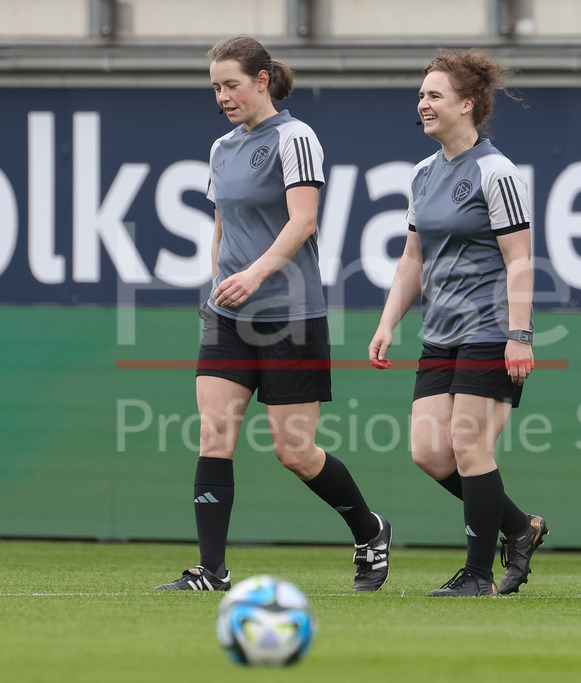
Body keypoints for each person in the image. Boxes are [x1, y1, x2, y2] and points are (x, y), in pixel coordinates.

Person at [156, 35, 391, 592]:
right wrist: (217, 283)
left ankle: (369, 530)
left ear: (262, 80)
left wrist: (255, 274)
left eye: (231, 85)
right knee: (214, 432)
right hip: (228, 316)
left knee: (294, 451)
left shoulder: (295, 137)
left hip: (292, 315)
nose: (223, 96)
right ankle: (211, 570)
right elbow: (222, 226)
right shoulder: (220, 149)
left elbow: (303, 221)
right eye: (215, 87)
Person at [368, 49, 548, 598]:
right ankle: (519, 527)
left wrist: (520, 336)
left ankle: (477, 574)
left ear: (467, 104)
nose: (422, 103)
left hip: (491, 329)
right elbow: (412, 260)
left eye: (434, 95)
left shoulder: (496, 171)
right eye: (421, 94)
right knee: (429, 453)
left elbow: (520, 259)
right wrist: (387, 323)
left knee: (471, 449)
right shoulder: (423, 174)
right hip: (439, 334)